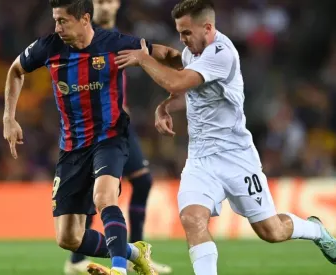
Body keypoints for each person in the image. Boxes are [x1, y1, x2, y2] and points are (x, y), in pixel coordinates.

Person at [115, 0, 336, 274]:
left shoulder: (222, 53)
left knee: (271, 231)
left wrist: (143, 59)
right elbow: (175, 58)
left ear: (207, 27)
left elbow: (177, 81)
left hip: (236, 158)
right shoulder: (194, 50)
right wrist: (164, 102)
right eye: (180, 32)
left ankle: (315, 230)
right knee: (192, 218)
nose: (183, 39)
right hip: (200, 159)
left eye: (186, 32)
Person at [3, 1, 181, 274]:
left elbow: (167, 53)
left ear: (84, 19)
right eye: (55, 20)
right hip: (72, 148)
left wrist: (194, 73)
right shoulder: (48, 47)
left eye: (63, 21)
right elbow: (16, 70)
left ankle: (119, 270)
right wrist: (9, 117)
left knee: (104, 198)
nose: (57, 27)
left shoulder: (115, 42)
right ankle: (135, 252)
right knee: (68, 238)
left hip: (110, 138)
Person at [64, 0, 176, 274]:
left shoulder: (119, 37)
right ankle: (90, 257)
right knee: (98, 192)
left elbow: (151, 55)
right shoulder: (84, 34)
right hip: (92, 127)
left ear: (117, 5)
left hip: (116, 124)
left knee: (140, 182)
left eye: (109, 0)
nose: (104, 5)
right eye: (99, 1)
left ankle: (135, 252)